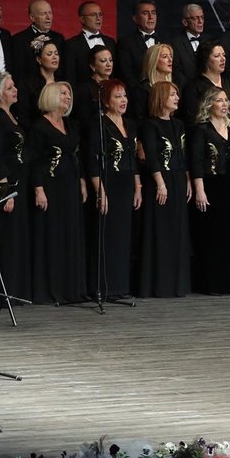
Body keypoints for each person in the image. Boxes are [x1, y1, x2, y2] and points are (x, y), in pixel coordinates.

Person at [27, 82, 87, 305]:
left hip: (70, 185)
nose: (68, 97)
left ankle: (71, 288)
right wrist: (39, 188)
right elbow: (34, 161)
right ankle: (51, 289)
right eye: (63, 93)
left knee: (70, 233)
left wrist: (81, 182)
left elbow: (74, 154)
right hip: (50, 186)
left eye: (69, 94)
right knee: (52, 234)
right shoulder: (39, 127)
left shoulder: (69, 124)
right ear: (51, 96)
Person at [189, 88, 230, 294]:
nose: (225, 104)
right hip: (212, 185)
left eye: (226, 100)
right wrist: (199, 189)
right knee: (213, 235)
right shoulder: (201, 130)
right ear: (209, 104)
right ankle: (213, 283)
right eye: (219, 100)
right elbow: (196, 161)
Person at [85, 80, 142, 302]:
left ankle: (119, 286)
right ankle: (102, 286)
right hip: (109, 182)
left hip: (126, 183)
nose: (123, 100)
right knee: (107, 236)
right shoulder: (99, 124)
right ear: (106, 100)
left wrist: (138, 187)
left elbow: (133, 158)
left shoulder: (129, 123)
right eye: (117, 96)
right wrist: (101, 191)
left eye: (124, 95)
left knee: (122, 236)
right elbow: (92, 161)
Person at [0, 70, 31, 305]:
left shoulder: (13, 116)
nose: (15, 90)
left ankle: (15, 288)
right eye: (10, 88)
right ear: (0, 94)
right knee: (4, 239)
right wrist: (6, 190)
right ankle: (0, 294)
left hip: (18, 185)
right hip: (5, 188)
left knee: (16, 238)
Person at [139, 81, 191, 298]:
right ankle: (159, 284)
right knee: (161, 231)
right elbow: (151, 155)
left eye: (177, 94)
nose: (177, 98)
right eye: (172, 94)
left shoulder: (178, 124)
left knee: (178, 230)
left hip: (178, 178)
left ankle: (176, 283)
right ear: (161, 97)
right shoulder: (150, 125)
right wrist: (160, 183)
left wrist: (187, 179)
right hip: (161, 179)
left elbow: (182, 154)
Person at [62, 0, 117, 86]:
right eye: (93, 15)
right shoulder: (71, 45)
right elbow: (70, 76)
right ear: (82, 19)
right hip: (83, 94)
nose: (98, 18)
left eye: (100, 14)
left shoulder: (110, 42)